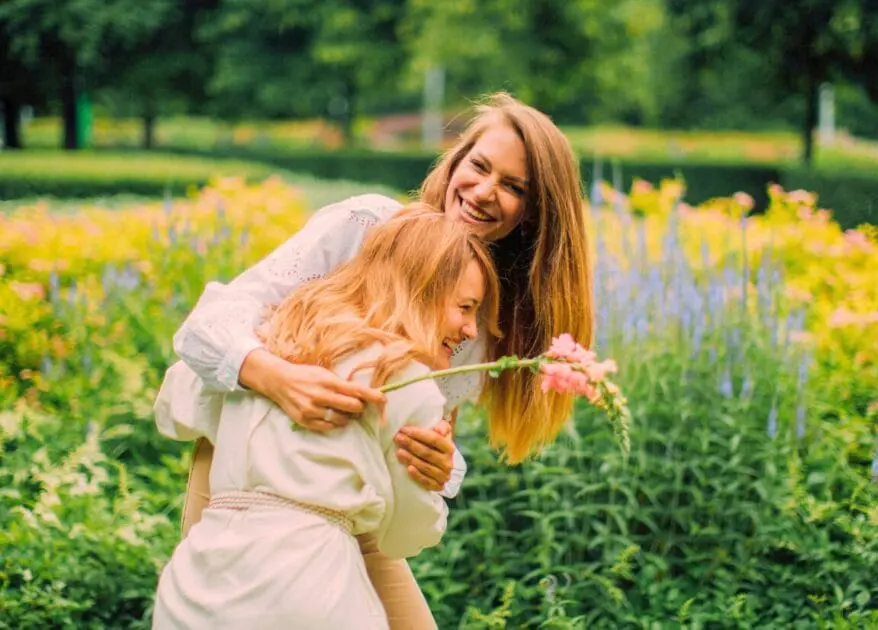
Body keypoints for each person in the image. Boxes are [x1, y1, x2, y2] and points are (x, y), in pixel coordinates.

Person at [166, 92, 594, 628]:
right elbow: (205, 326)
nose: (485, 191)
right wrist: (277, 378)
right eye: (480, 166)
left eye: (514, 187)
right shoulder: (367, 226)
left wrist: (439, 466)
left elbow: (422, 431)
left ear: (536, 215)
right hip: (246, 481)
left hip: (348, 500)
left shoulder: (480, 317)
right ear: (455, 162)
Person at [152, 206, 501, 629]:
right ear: (422, 291)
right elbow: (406, 534)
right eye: (465, 307)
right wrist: (431, 492)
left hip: (194, 586)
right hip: (311, 588)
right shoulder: (405, 382)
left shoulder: (271, 337)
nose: (470, 330)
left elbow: (174, 411)